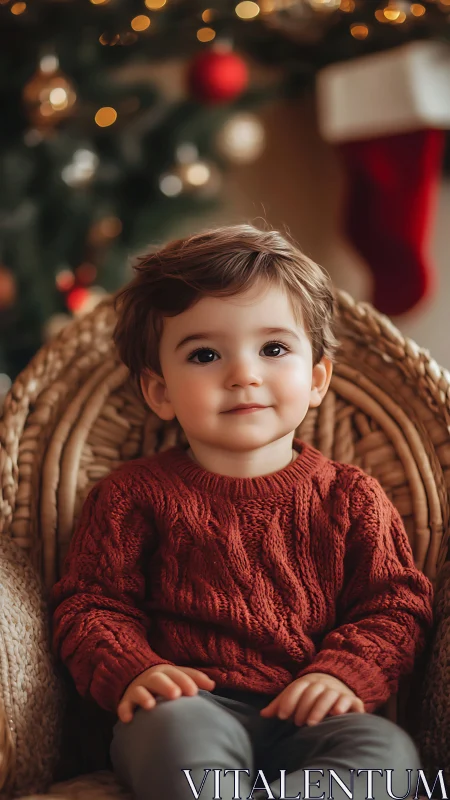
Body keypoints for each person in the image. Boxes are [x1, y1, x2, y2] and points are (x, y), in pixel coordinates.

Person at [50, 224, 434, 800]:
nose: (243, 374)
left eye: (273, 349)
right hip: (190, 707)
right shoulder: (132, 495)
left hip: (314, 716)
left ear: (316, 379)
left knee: (393, 755)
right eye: (205, 354)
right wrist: (134, 667)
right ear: (160, 392)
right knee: (170, 738)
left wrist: (342, 670)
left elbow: (395, 604)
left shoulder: (352, 496)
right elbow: (90, 603)